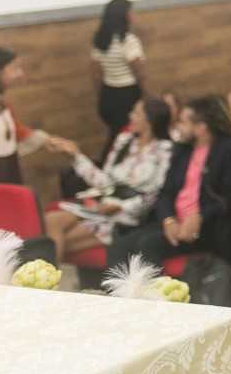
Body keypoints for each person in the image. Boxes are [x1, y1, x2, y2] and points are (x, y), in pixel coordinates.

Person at [107, 95, 231, 271]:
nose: (177, 126)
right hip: (175, 221)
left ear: (201, 127)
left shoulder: (230, 149)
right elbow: (166, 192)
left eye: (183, 122)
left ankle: (151, 297)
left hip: (207, 225)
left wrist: (200, 217)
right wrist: (168, 220)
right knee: (121, 244)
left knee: (148, 244)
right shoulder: (184, 149)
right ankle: (119, 296)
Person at [43, 97, 174, 259]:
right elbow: (105, 182)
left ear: (149, 120)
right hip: (104, 206)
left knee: (56, 243)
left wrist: (121, 207)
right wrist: (75, 156)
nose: (130, 116)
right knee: (51, 221)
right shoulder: (124, 142)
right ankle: (47, 276)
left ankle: (46, 278)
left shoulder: (166, 151)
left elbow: (157, 194)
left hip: (128, 215)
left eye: (136, 113)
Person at [90, 0, 146, 161]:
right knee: (122, 137)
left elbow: (94, 71)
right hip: (126, 95)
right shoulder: (129, 41)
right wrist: (144, 92)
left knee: (117, 134)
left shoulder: (101, 40)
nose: (134, 15)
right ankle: (108, 166)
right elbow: (138, 70)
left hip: (108, 95)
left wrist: (100, 92)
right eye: (131, 12)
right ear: (124, 16)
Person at [0, 48, 52, 185]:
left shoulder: (2, 103)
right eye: (14, 69)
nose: (20, 74)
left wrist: (47, 140)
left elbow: (15, 129)